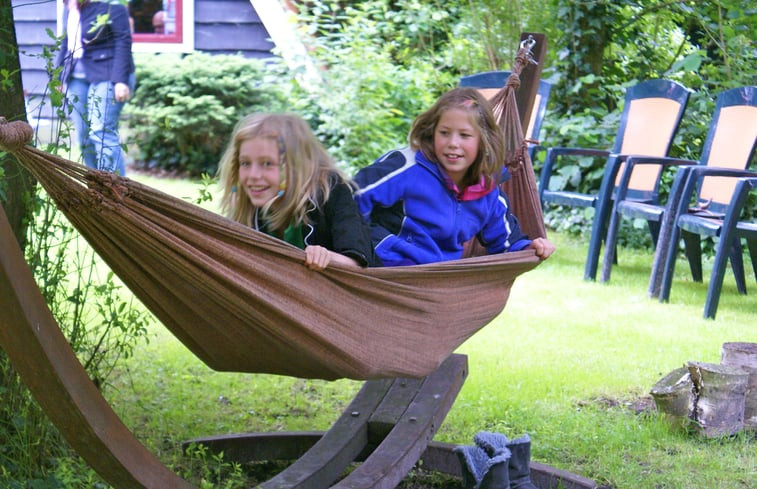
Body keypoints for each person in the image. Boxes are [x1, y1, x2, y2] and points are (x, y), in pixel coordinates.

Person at [354, 87, 555, 267]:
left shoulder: (488, 192)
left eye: (465, 135)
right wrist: (357, 249)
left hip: (442, 276)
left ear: (484, 141)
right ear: (432, 132)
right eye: (444, 133)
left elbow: (506, 243)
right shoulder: (407, 166)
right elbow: (353, 197)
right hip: (386, 267)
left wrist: (529, 248)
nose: (453, 143)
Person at [218, 113, 380, 271]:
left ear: (296, 167)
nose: (253, 175)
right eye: (245, 163)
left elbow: (357, 264)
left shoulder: (330, 192)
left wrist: (326, 257)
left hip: (342, 294)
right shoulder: (250, 209)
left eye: (267, 163)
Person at [56, 0, 136, 176]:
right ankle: (97, 187)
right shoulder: (70, 9)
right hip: (76, 77)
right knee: (84, 137)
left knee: (101, 131)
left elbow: (123, 41)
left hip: (109, 74)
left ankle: (117, 190)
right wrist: (58, 75)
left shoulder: (111, 6)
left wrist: (120, 81)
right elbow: (66, 41)